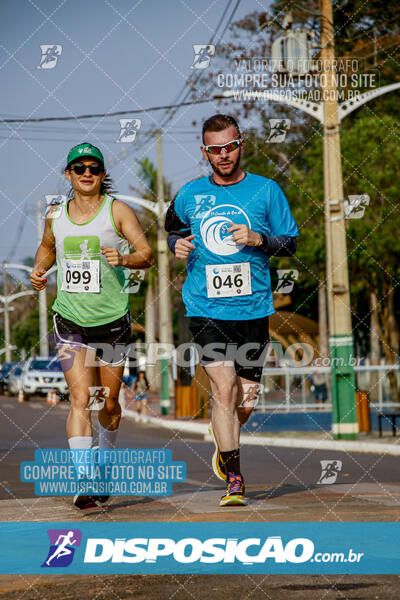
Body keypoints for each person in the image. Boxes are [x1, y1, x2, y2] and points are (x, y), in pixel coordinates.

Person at [165, 114, 298, 506]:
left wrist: (260, 238)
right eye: (214, 149)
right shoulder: (190, 194)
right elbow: (171, 226)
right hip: (205, 308)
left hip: (253, 309)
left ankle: (225, 448)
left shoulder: (266, 191)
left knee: (246, 399)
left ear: (242, 143)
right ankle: (235, 478)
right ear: (204, 151)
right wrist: (177, 243)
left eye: (230, 146)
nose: (223, 155)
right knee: (224, 390)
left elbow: (289, 243)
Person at [31, 142, 153, 509]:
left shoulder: (118, 211)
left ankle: (106, 462)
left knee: (110, 402)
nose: (87, 174)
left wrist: (126, 258)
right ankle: (85, 481)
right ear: (68, 174)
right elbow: (48, 246)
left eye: (94, 168)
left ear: (102, 175)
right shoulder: (56, 214)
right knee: (81, 399)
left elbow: (146, 254)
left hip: (112, 321)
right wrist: (39, 270)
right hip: (70, 318)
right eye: (79, 168)